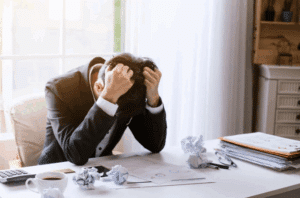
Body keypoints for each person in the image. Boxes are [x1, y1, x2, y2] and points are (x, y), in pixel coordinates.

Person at [38, 53, 167, 165]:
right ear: (99, 87)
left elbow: (155, 145)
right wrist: (108, 98)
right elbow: (75, 154)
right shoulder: (59, 89)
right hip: (58, 172)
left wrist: (153, 98)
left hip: (104, 174)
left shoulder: (130, 84)